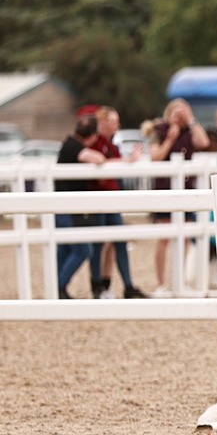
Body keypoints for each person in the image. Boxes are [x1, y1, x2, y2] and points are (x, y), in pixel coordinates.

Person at [149, 98, 210, 296]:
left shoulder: (190, 131)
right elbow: (156, 157)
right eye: (176, 113)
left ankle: (180, 281)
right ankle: (161, 283)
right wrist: (170, 138)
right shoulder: (159, 130)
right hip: (165, 189)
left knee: (185, 238)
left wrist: (191, 121)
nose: (179, 117)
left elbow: (204, 142)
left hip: (186, 190)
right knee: (164, 237)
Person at [89, 106, 147, 298]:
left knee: (118, 241)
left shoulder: (110, 143)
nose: (117, 126)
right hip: (100, 198)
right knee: (99, 243)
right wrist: (127, 160)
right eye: (114, 121)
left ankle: (123, 285)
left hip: (111, 198)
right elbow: (101, 165)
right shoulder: (96, 142)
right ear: (102, 122)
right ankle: (98, 286)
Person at [54, 112, 107, 299]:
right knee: (83, 249)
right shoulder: (74, 146)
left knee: (66, 248)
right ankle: (60, 286)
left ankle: (57, 287)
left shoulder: (69, 144)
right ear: (92, 135)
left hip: (64, 207)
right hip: (66, 208)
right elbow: (97, 158)